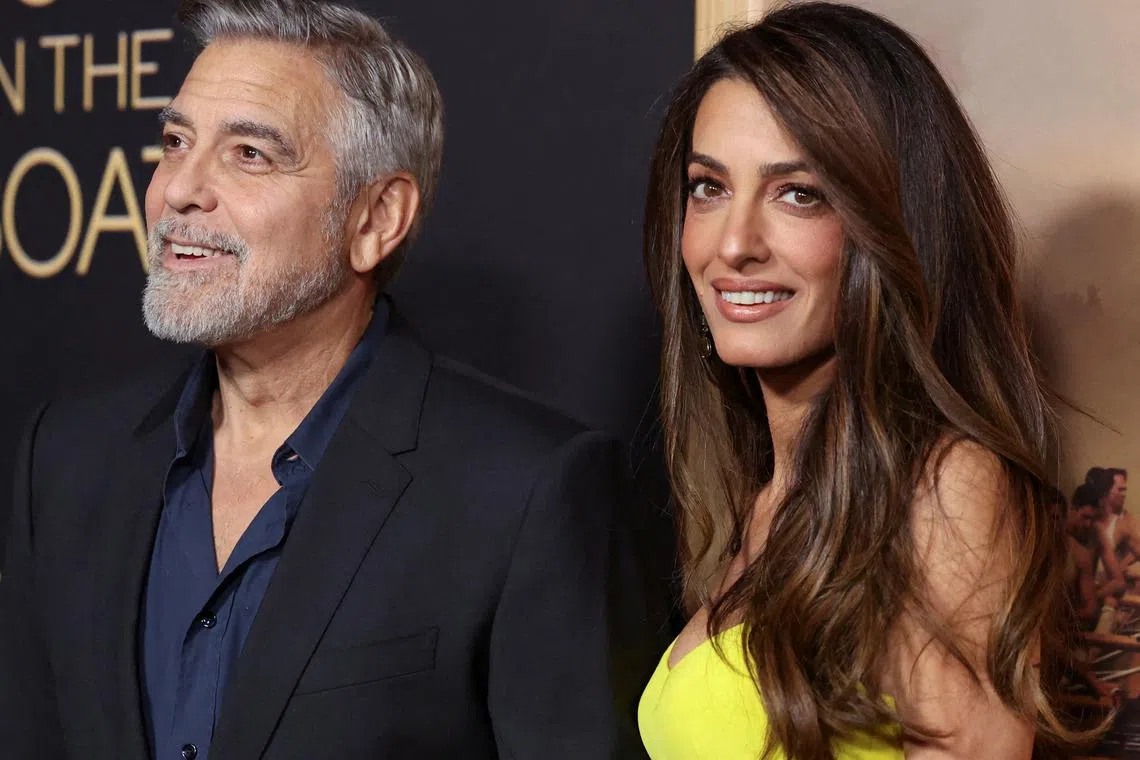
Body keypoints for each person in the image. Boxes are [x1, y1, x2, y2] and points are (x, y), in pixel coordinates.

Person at [0, 1, 659, 758]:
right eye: (175, 142)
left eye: (249, 153)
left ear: (377, 218)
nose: (179, 189)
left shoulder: (527, 493)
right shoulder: (67, 459)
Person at [636, 3, 1082, 758]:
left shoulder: (943, 489)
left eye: (798, 193)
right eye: (709, 187)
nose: (735, 243)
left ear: (893, 224)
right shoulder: (757, 500)